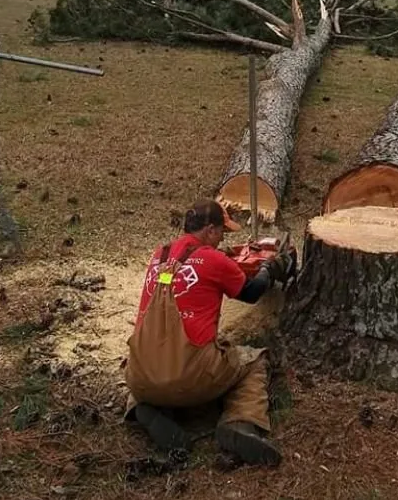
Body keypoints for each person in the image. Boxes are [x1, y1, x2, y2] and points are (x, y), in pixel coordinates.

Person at [125, 198, 293, 467]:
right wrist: (268, 270)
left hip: (141, 376)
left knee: (143, 361)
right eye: (221, 233)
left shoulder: (161, 254)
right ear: (211, 230)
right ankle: (241, 422)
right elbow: (250, 293)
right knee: (253, 361)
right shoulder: (214, 259)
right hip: (190, 375)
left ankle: (143, 407)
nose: (221, 239)